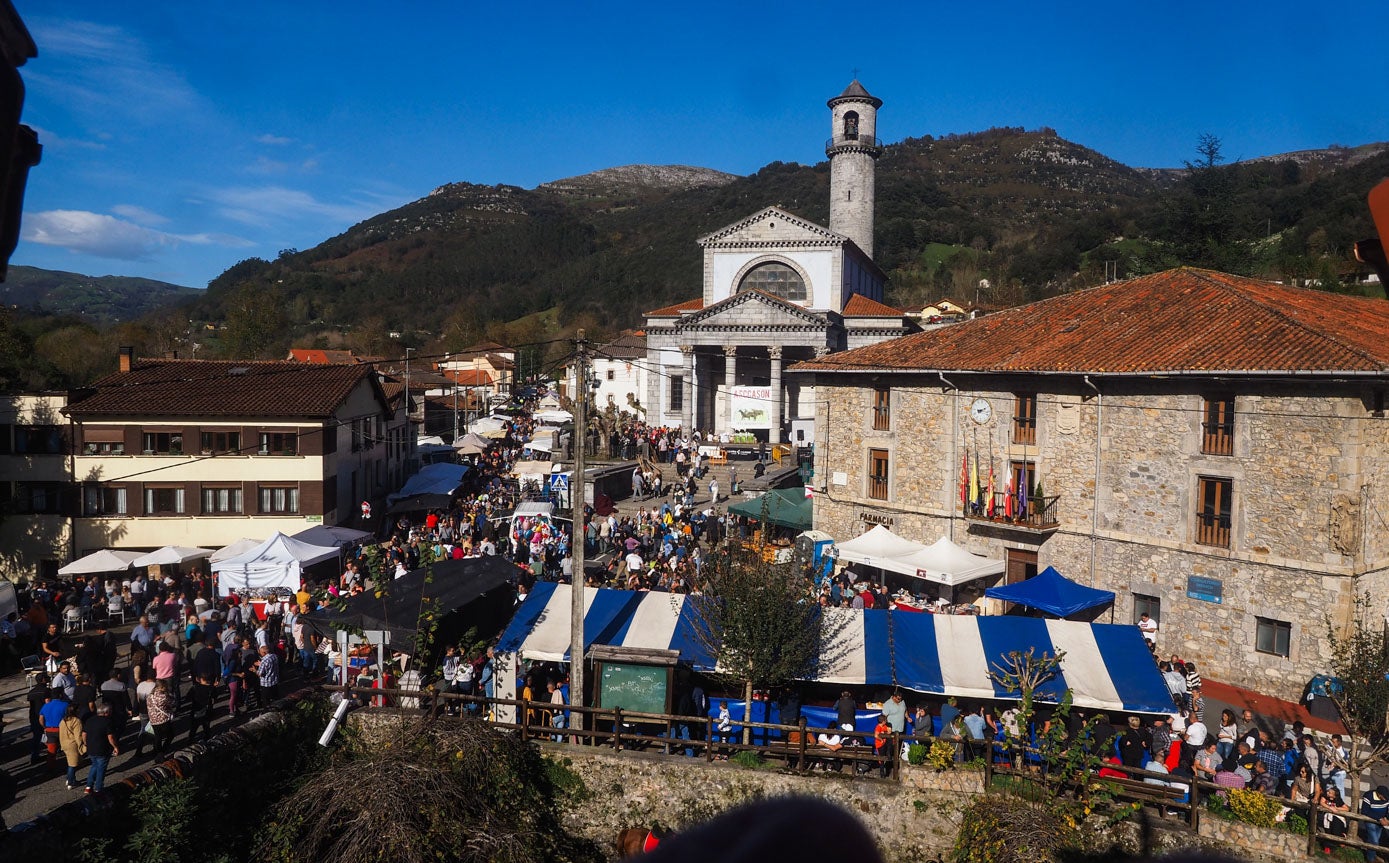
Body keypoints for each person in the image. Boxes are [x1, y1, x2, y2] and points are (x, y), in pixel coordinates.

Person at [82, 702, 118, 794]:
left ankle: (88, 786)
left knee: (94, 766)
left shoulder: (89, 720)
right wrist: (115, 747)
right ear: (106, 712)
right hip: (103, 748)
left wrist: (86, 743)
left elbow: (84, 734)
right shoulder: (108, 722)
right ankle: (98, 788)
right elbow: (110, 737)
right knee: (101, 769)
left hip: (91, 748)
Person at [57, 703, 85, 789]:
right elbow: (78, 736)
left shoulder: (63, 721)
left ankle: (70, 778)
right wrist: (82, 747)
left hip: (64, 744)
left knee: (70, 762)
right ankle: (70, 781)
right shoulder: (76, 721)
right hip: (72, 744)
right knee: (73, 764)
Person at [1362, 785, 1389, 863]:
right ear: (1379, 794)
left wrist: (1387, 818)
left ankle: (1372, 855)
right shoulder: (1368, 796)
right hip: (1371, 821)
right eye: (1383, 797)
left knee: (1374, 839)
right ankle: (1370, 859)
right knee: (1374, 841)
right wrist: (1380, 818)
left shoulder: (1387, 797)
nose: (1385, 800)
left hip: (1382, 821)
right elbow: (1364, 812)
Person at [1321, 785, 1351, 853]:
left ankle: (1341, 837)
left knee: (1335, 831)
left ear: (1334, 795)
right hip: (1328, 816)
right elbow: (1322, 802)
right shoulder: (1325, 796)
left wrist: (1336, 808)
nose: (1328, 793)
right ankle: (1327, 847)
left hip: (1336, 817)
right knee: (1327, 831)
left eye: (1330, 792)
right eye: (1328, 791)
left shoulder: (1338, 800)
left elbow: (1346, 808)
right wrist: (1330, 807)